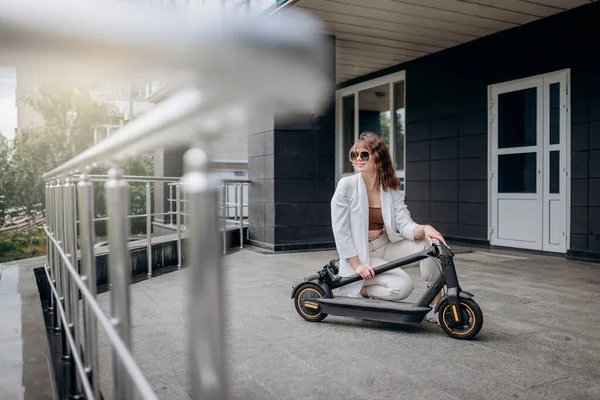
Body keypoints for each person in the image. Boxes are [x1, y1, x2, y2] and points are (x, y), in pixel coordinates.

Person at [330, 131, 447, 323]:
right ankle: (359, 289)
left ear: (378, 157)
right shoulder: (346, 185)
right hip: (362, 253)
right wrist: (357, 265)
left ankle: (436, 303)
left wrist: (425, 229)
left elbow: (404, 223)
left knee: (430, 245)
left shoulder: (391, 187)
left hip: (386, 245)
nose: (358, 159)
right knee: (402, 287)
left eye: (364, 154)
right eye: (354, 155)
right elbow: (341, 231)